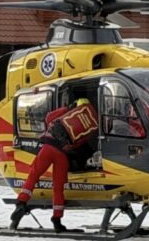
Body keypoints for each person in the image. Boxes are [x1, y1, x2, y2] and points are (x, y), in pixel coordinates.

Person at [11, 98, 99, 232]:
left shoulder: (65, 113)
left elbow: (48, 118)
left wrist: (65, 108)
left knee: (34, 175)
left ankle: (21, 203)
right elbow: (78, 144)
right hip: (62, 156)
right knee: (58, 188)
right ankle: (57, 220)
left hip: (47, 148)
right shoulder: (90, 126)